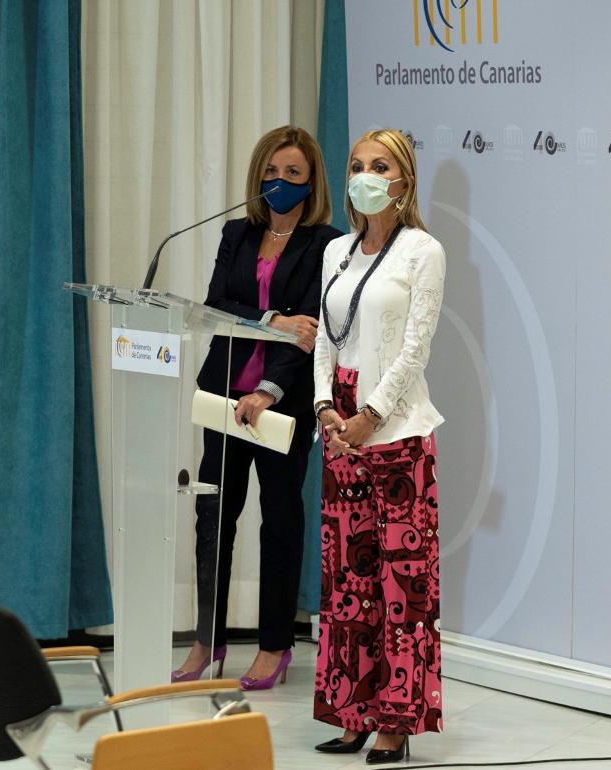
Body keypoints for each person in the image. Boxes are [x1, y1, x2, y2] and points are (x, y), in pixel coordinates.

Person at [174, 125, 342, 690]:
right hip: (223, 394)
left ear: (311, 181)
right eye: (271, 172)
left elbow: (312, 334)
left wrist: (267, 388)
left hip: (280, 405)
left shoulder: (326, 244)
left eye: (292, 173)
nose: (279, 182)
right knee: (212, 519)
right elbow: (217, 302)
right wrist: (269, 319)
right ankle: (207, 638)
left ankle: (274, 646)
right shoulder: (236, 234)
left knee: (280, 520)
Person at [311, 128, 445, 764]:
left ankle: (395, 720)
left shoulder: (423, 250)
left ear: (404, 179)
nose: (365, 175)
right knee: (347, 584)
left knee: (398, 586)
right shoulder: (337, 250)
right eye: (357, 165)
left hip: (395, 436)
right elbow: (323, 339)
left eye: (380, 166)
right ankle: (351, 711)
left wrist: (368, 415)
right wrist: (321, 408)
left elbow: (416, 347)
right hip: (340, 435)